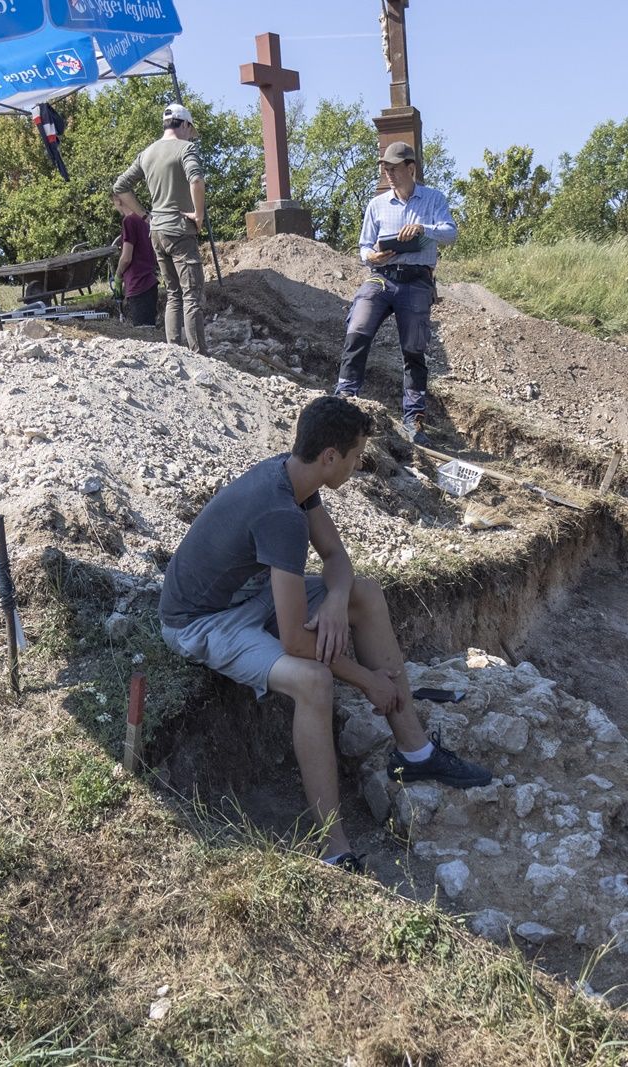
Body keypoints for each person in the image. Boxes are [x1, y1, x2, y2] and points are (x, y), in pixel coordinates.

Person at [159, 396, 492, 870]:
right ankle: (334, 848)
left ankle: (416, 753)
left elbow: (336, 558)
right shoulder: (280, 515)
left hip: (245, 594)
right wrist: (367, 680)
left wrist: (336, 603)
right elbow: (296, 643)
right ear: (330, 456)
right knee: (313, 680)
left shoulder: (296, 478)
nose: (359, 465)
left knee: (366, 594)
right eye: (356, 455)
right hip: (201, 621)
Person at [333, 141, 456, 447]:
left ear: (410, 168)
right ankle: (344, 398)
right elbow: (364, 246)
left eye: (393, 168)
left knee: (414, 349)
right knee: (358, 326)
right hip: (382, 277)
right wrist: (370, 257)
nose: (388, 173)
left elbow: (451, 233)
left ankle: (413, 419)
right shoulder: (377, 205)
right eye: (385, 168)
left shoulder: (434, 199)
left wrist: (422, 229)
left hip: (416, 280)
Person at [112, 102, 207, 354]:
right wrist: (198, 215)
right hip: (180, 230)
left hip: (157, 232)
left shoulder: (148, 152)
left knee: (173, 294)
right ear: (184, 124)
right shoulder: (186, 149)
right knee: (192, 295)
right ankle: (200, 356)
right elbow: (196, 180)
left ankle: (174, 353)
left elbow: (120, 186)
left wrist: (145, 216)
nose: (190, 135)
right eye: (190, 129)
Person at [111, 191, 158, 328]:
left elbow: (126, 257)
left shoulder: (129, 220)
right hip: (149, 281)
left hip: (138, 284)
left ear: (118, 200)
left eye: (114, 203)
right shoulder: (145, 219)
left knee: (144, 332)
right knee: (149, 327)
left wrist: (118, 275)